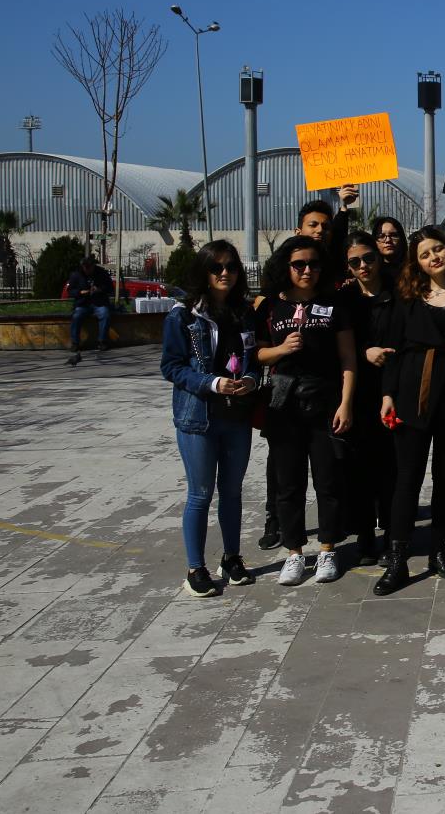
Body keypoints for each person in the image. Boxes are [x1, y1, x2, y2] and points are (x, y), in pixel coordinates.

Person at [376, 226, 445, 594]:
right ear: (417, 263)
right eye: (424, 254)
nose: (433, 257)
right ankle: (398, 558)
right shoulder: (407, 297)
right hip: (413, 393)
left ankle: (439, 549)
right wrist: (388, 395)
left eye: (437, 249)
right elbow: (392, 349)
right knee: (407, 478)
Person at [160, 242, 260, 597]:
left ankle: (232, 558)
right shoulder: (183, 316)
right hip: (198, 418)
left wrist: (250, 380)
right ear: (203, 272)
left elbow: (253, 358)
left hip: (236, 416)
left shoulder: (244, 312)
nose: (224, 273)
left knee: (232, 492)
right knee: (200, 494)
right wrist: (212, 383)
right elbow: (171, 367)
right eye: (216, 267)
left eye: (231, 266)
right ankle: (195, 568)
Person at [255, 236, 356, 587]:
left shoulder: (334, 304)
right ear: (286, 266)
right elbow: (258, 354)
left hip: (325, 401)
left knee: (328, 480)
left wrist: (346, 402)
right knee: (288, 483)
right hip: (284, 404)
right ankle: (294, 552)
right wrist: (281, 349)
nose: (307, 270)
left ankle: (328, 548)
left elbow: (348, 358)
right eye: (299, 264)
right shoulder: (271, 306)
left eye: (313, 264)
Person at [338, 231, 398, 567]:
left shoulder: (399, 291)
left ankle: (392, 536)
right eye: (355, 262)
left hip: (394, 391)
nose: (363, 266)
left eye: (368, 258)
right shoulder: (345, 299)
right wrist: (365, 353)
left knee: (391, 469)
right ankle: (364, 536)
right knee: (358, 470)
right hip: (358, 393)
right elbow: (337, 348)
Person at [67, 256, 114, 355]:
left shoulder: (102, 273)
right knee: (76, 316)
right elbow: (70, 291)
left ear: (93, 266)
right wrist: (80, 292)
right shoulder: (76, 275)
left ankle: (102, 341)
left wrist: (99, 289)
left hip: (99, 302)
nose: (87, 270)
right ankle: (75, 342)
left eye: (89, 267)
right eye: (85, 268)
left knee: (105, 314)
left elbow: (110, 288)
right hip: (83, 303)